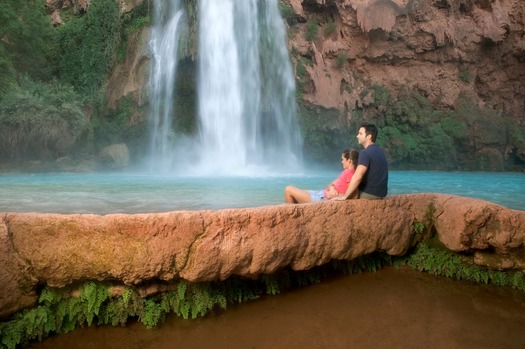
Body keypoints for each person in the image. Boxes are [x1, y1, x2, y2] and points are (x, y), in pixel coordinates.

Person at [333, 124, 388, 200]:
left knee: (337, 194)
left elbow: (358, 176)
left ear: (369, 136)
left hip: (369, 194)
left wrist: (345, 196)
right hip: (380, 193)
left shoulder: (365, 153)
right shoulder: (380, 151)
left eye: (360, 134)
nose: (357, 136)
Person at [284, 148, 359, 204]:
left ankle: (290, 217)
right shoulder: (346, 172)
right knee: (299, 191)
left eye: (343, 159)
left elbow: (354, 195)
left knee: (288, 189)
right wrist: (332, 188)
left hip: (322, 198)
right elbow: (330, 184)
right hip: (321, 193)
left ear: (349, 161)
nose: (341, 161)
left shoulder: (350, 174)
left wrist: (336, 196)